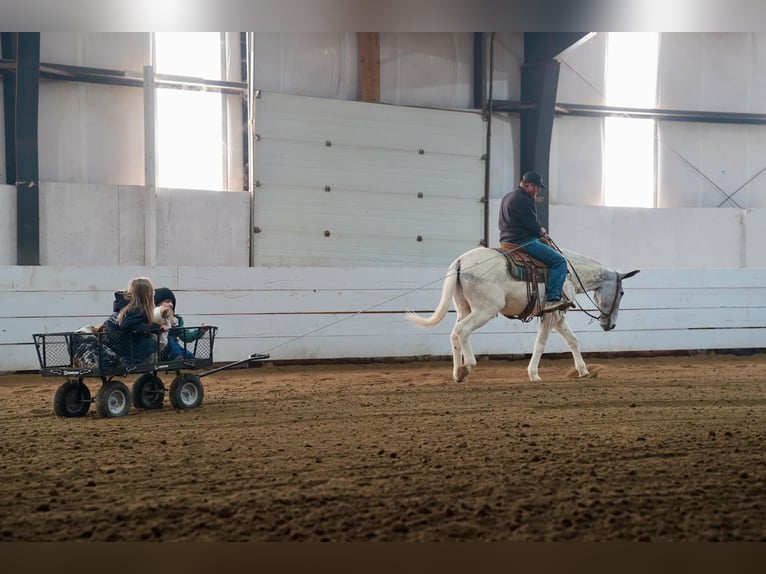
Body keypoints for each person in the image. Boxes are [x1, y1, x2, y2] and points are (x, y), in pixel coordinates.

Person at [498, 171, 570, 313]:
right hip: (523, 241)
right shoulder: (524, 199)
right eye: (537, 187)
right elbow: (530, 224)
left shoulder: (508, 197)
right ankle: (552, 298)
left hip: (506, 240)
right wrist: (541, 231)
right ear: (529, 185)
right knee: (559, 261)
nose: (538, 191)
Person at [103, 276, 168, 364]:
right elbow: (129, 324)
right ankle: (130, 361)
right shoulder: (136, 309)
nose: (153, 294)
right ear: (147, 294)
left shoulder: (127, 306)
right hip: (122, 345)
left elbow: (136, 322)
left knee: (149, 340)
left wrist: (157, 327)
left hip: (115, 341)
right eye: (152, 292)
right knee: (152, 344)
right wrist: (147, 331)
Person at [153, 287, 207, 360]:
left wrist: (201, 331)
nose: (171, 304)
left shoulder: (176, 320)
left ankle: (182, 358)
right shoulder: (151, 318)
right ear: (157, 303)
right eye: (167, 301)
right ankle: (177, 357)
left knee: (189, 356)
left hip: (174, 350)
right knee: (168, 338)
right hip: (158, 351)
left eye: (172, 302)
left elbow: (186, 336)